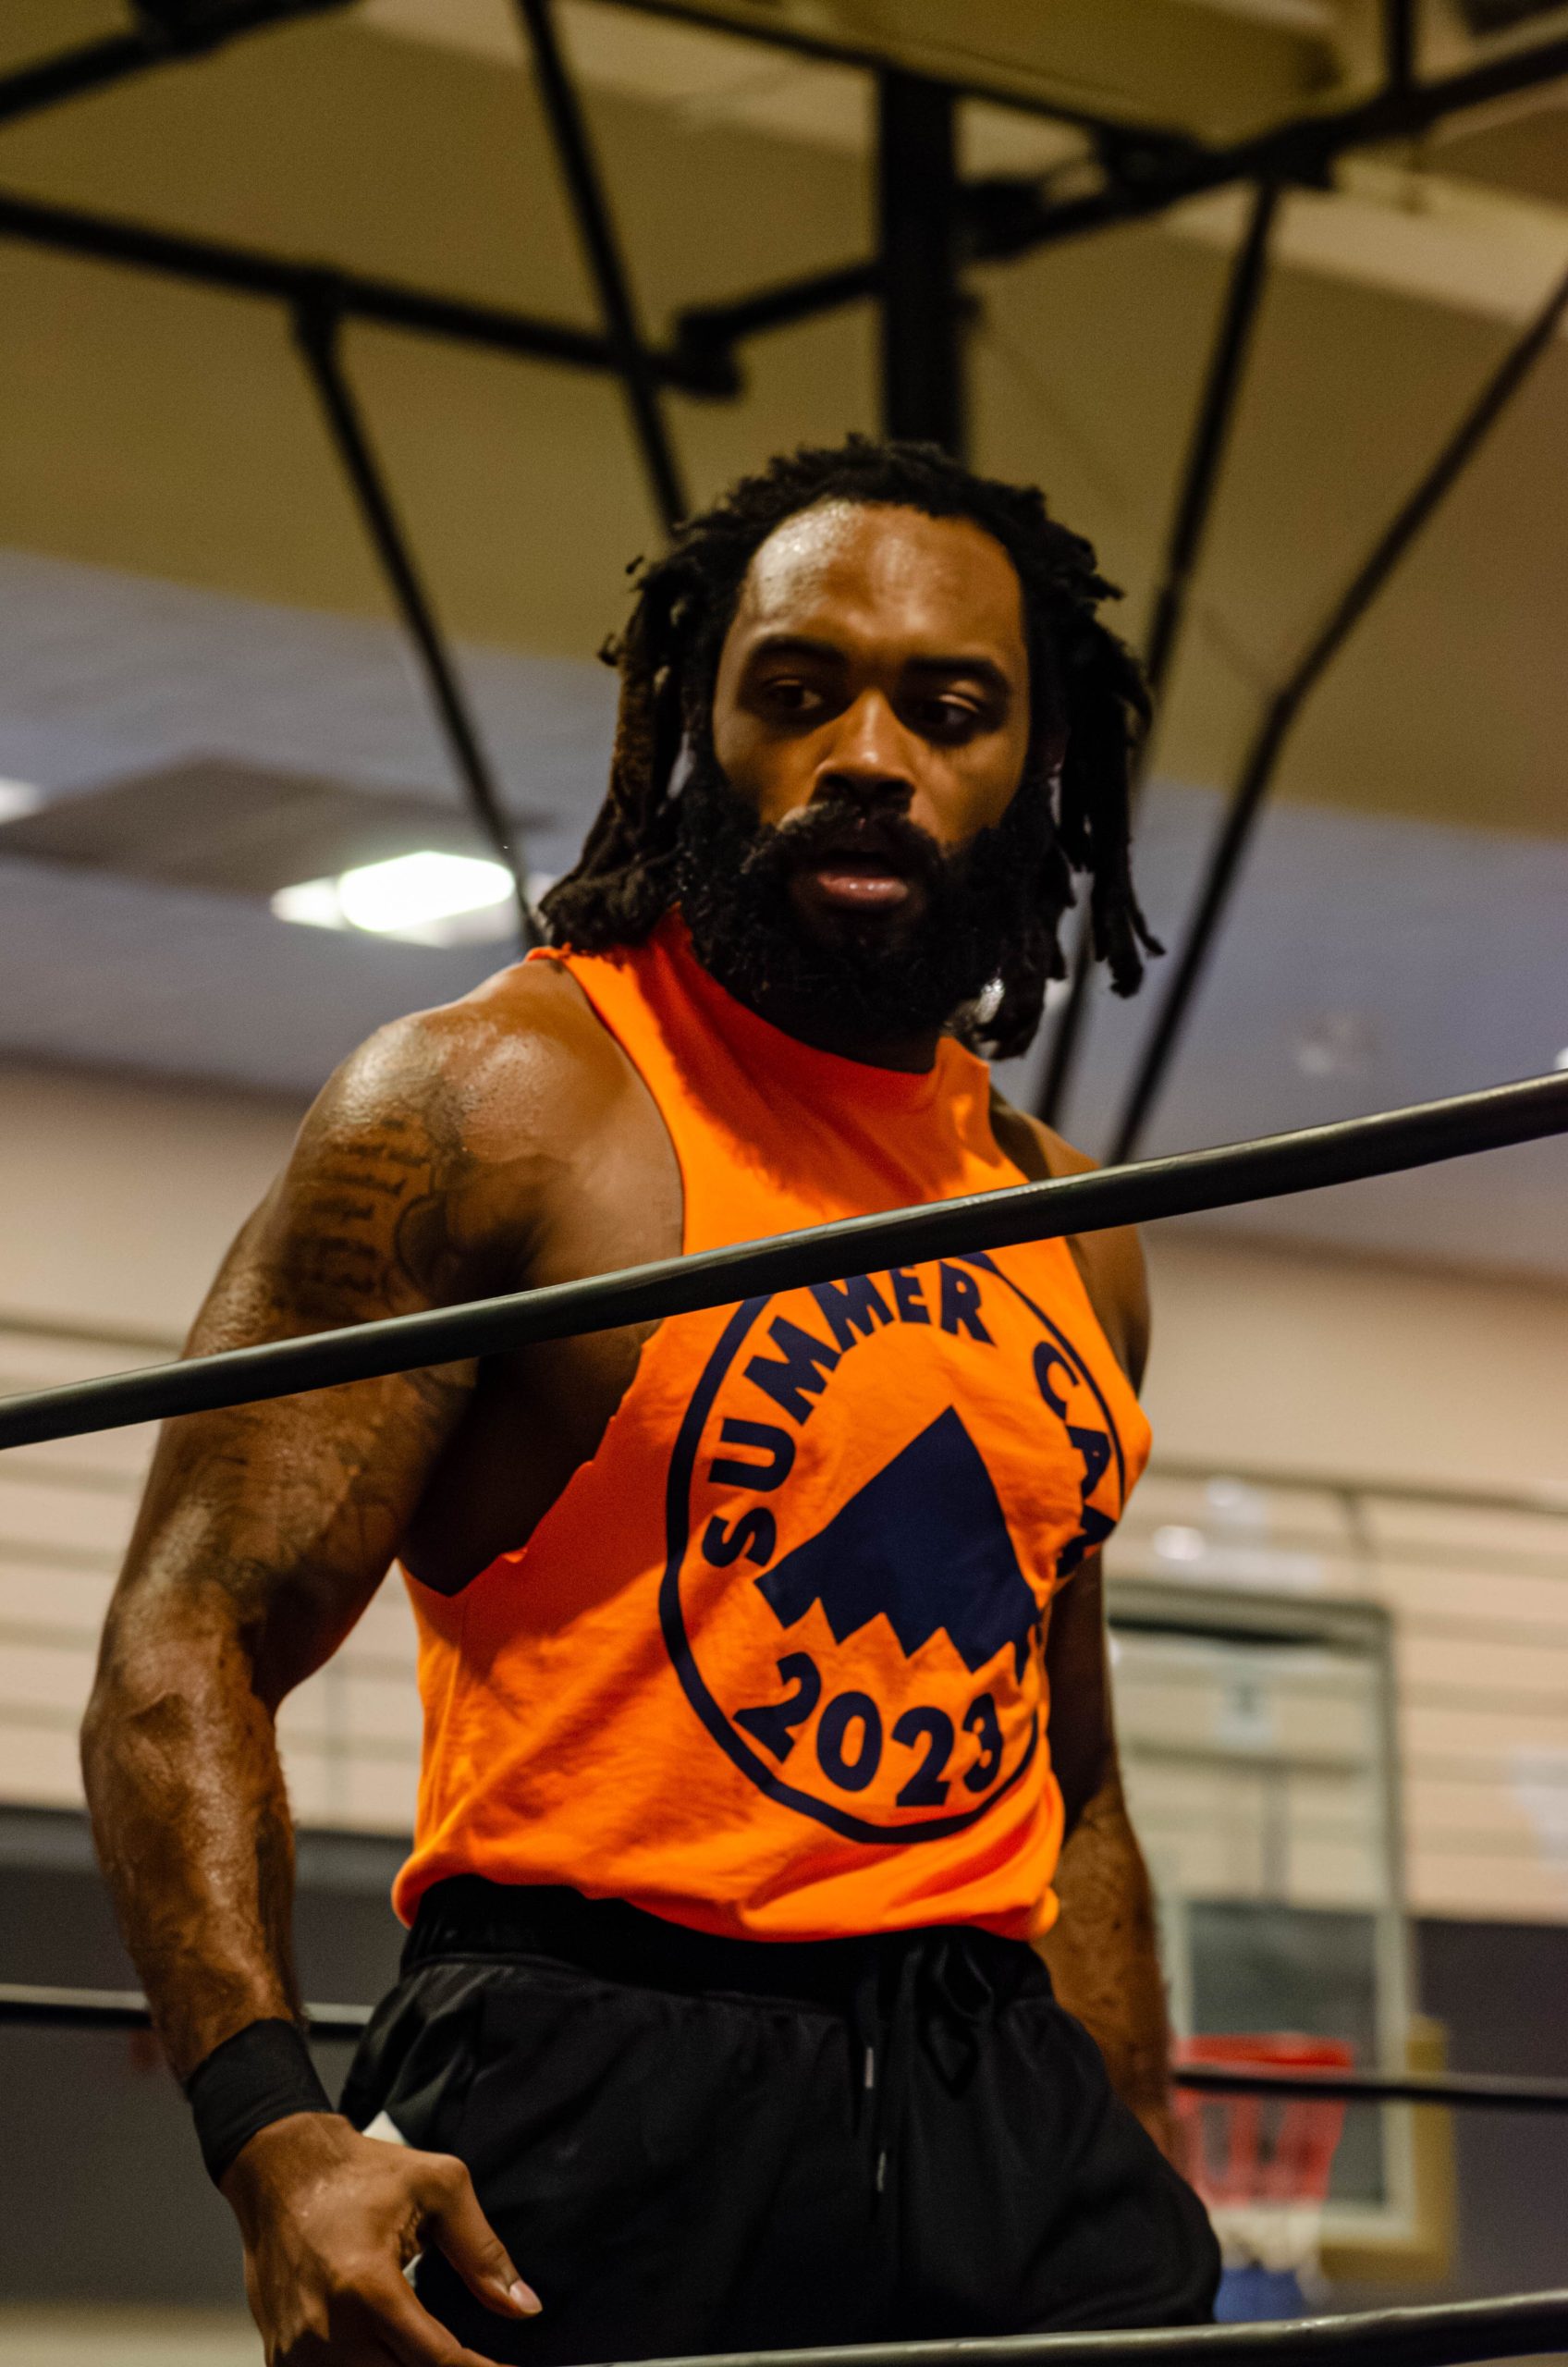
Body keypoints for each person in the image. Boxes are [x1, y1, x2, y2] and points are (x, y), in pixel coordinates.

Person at [82, 437, 1219, 2367]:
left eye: (947, 709)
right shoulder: (494, 1103)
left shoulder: (1065, 1217)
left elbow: (1070, 1770)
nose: (869, 751)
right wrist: (270, 2127)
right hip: (593, 2068)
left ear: (1034, 770)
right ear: (692, 726)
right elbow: (183, 1630)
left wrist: (1124, 2126)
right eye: (798, 690)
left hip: (989, 2084)